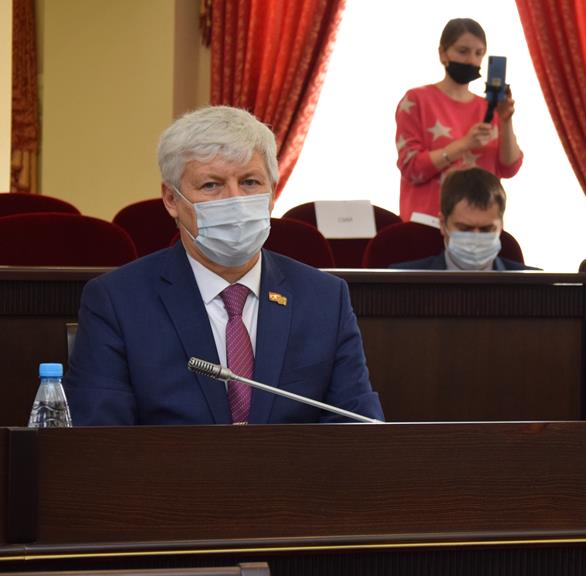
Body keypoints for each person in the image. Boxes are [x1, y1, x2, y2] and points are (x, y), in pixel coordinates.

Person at [65, 106, 384, 425]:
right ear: (172, 199)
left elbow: (358, 428)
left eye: (250, 182)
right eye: (211, 185)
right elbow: (100, 437)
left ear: (272, 193)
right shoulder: (117, 301)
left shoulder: (325, 298)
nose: (235, 200)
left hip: (294, 461)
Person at [395, 17, 523, 222]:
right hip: (426, 223)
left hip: (480, 227)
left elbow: (509, 167)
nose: (471, 60)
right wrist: (464, 144)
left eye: (479, 53)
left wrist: (506, 121)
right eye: (463, 51)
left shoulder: (489, 108)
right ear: (442, 53)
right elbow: (412, 168)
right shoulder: (416, 100)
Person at [390, 168, 536, 271]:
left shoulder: (537, 286)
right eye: (464, 228)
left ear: (501, 225)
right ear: (443, 224)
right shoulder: (399, 283)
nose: (475, 238)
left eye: (486, 229)